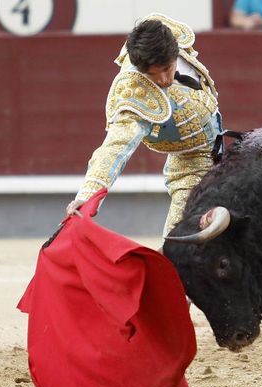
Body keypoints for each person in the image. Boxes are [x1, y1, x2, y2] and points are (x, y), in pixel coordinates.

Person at [66, 13, 222, 237]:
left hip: (224, 150)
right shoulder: (135, 94)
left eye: (167, 69)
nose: (163, 80)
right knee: (179, 246)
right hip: (192, 164)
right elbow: (115, 147)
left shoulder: (165, 36)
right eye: (152, 75)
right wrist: (88, 196)